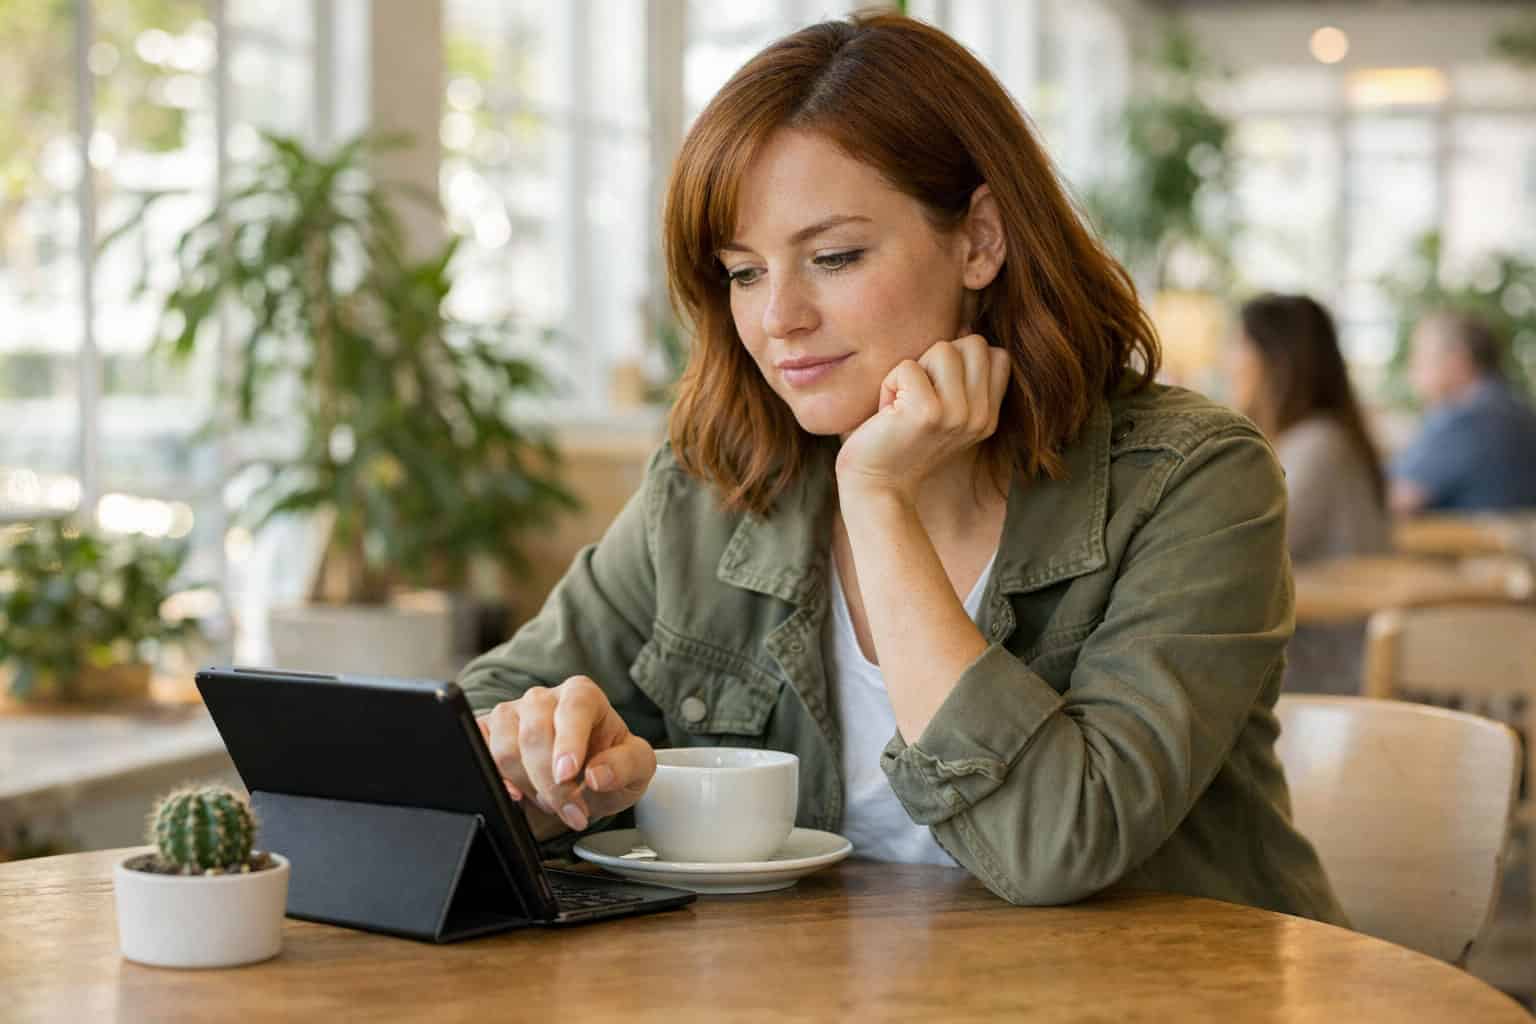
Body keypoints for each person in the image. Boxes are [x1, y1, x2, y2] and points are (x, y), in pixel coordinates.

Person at [458, 13, 1346, 924]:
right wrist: (547, 768)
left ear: (980, 240)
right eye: (743, 272)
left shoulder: (1192, 482)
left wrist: (876, 496)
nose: (778, 319)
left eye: (834, 257)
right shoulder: (709, 486)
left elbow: (1055, 843)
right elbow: (468, 730)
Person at [1228, 293, 1390, 694]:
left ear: (1274, 360)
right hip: (1315, 658)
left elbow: (1241, 550)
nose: (1226, 360)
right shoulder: (1321, 439)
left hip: (1321, 672)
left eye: (1237, 344)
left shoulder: (1316, 447)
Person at [1391, 309, 1536, 514]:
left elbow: (1396, 498)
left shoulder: (1466, 419)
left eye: (1420, 355)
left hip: (1461, 543)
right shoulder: (1517, 408)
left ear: (1456, 360)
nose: (1412, 368)